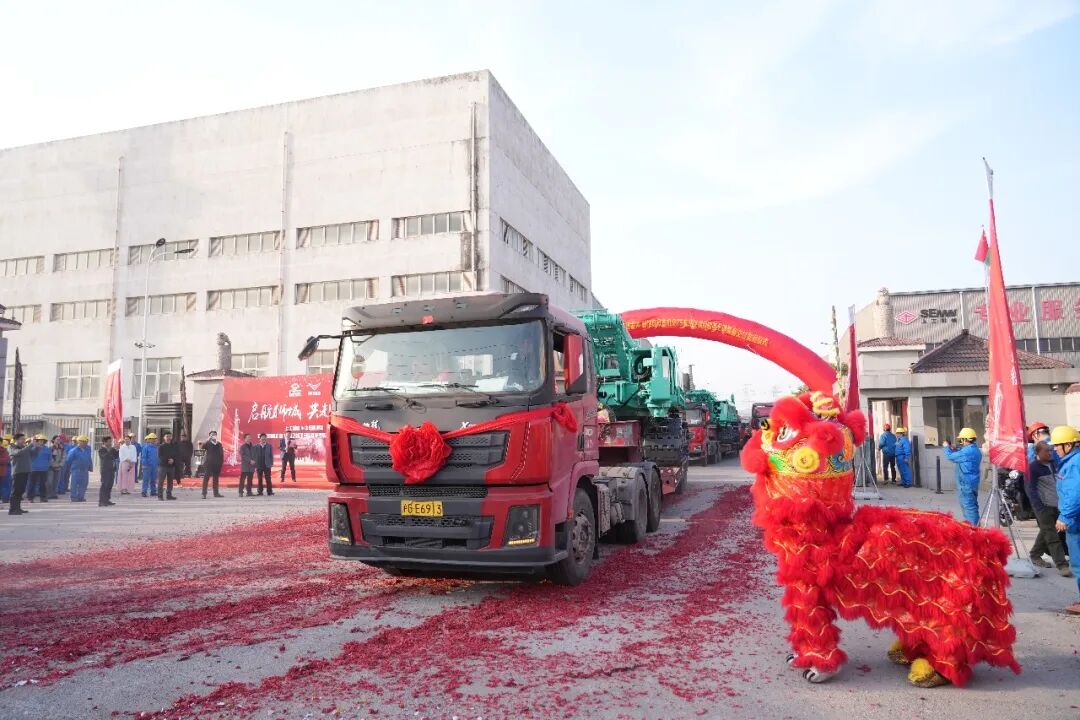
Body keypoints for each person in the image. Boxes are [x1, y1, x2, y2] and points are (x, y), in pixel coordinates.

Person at [1049, 426, 1080, 615]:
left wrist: (1065, 516)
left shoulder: (1074, 464)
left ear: (1068, 445)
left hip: (1075, 520)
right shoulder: (1071, 460)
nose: (1055, 449)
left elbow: (1076, 493)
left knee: (1078, 563)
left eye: (1057, 446)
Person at [1026, 441, 1070, 575]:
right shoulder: (1033, 468)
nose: (1050, 453)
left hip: (1057, 504)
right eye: (1046, 451)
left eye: (1051, 450)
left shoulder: (1054, 464)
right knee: (1052, 535)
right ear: (1037, 452)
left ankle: (1035, 554)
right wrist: (1039, 507)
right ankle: (1062, 565)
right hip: (1043, 507)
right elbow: (1030, 490)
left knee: (1047, 530)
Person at [942, 427, 982, 525]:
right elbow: (961, 453)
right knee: (972, 505)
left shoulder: (967, 451)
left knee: (968, 507)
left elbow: (950, 457)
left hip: (966, 484)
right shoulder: (974, 449)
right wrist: (955, 448)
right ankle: (975, 525)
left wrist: (946, 447)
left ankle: (973, 528)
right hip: (971, 482)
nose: (961, 442)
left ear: (965, 439)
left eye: (961, 440)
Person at [8, 433, 40, 515]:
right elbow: (18, 453)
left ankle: (18, 508)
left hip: (25, 471)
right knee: (16, 491)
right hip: (17, 472)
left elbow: (33, 454)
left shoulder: (24, 447)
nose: (23, 440)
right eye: (22, 439)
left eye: (24, 439)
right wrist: (30, 445)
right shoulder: (12, 447)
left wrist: (37, 447)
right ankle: (12, 509)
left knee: (21, 491)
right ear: (16, 440)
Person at [63, 435, 94, 503]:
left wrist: (90, 467)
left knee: (84, 484)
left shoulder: (86, 450)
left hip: (85, 470)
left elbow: (89, 459)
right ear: (79, 442)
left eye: (86, 442)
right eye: (84, 442)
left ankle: (81, 497)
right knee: (74, 484)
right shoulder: (73, 450)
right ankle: (74, 497)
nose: (86, 443)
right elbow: (68, 460)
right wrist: (72, 467)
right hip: (76, 470)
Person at [26, 434, 51, 502]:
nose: (41, 442)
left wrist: (47, 466)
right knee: (32, 484)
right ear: (36, 441)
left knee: (43, 484)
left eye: (42, 441)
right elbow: (29, 456)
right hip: (33, 469)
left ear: (44, 441)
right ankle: (30, 498)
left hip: (44, 469)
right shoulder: (32, 448)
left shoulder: (47, 449)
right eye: (39, 440)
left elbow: (49, 458)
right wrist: (36, 447)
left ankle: (43, 497)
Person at [201, 431, 224, 499]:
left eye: (214, 434)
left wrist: (221, 463)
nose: (213, 436)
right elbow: (202, 447)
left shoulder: (219, 444)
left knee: (215, 479)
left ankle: (216, 493)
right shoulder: (208, 443)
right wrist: (207, 439)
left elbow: (221, 454)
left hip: (217, 464)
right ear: (210, 436)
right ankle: (204, 493)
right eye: (212, 435)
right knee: (206, 478)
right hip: (209, 464)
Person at [97, 436, 119, 507]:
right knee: (104, 485)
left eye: (111, 441)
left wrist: (117, 449)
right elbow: (105, 457)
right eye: (109, 442)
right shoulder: (101, 450)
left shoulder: (111, 449)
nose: (110, 443)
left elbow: (116, 456)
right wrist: (111, 450)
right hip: (105, 470)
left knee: (109, 485)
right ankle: (101, 501)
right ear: (104, 442)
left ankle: (107, 499)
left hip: (111, 469)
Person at [157, 431, 179, 500]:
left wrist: (173, 460)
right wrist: (168, 460)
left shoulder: (174, 446)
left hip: (171, 466)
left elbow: (176, 455)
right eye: (167, 436)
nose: (168, 438)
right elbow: (160, 456)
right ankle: (160, 496)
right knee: (161, 481)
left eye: (170, 436)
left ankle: (169, 495)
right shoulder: (161, 446)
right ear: (164, 438)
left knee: (170, 481)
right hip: (163, 466)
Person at [139, 433, 160, 497]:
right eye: (152, 439)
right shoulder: (146, 447)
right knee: (146, 479)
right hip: (147, 466)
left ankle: (153, 491)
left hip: (154, 466)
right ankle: (144, 491)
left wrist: (158, 464)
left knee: (153, 479)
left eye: (154, 439)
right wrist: (144, 464)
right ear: (149, 439)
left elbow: (158, 457)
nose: (153, 440)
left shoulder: (156, 447)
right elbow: (144, 457)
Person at [0, 436, 13, 505]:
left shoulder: (4, 450)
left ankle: (5, 498)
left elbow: (6, 459)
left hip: (3, 471)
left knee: (5, 485)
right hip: (4, 470)